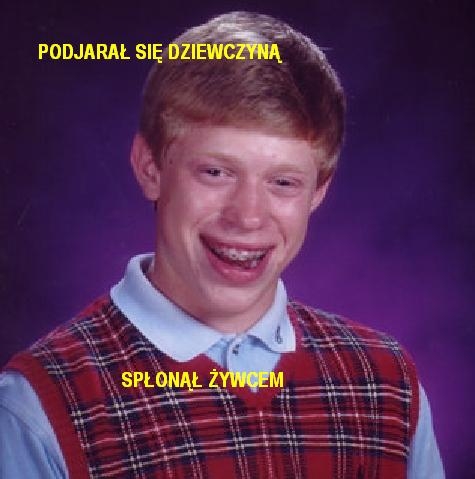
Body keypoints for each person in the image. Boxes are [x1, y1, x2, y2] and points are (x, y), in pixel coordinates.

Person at [0, 11, 444, 479]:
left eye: (283, 182)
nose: (248, 216)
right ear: (150, 168)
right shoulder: (38, 410)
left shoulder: (387, 385)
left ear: (318, 192)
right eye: (215, 172)